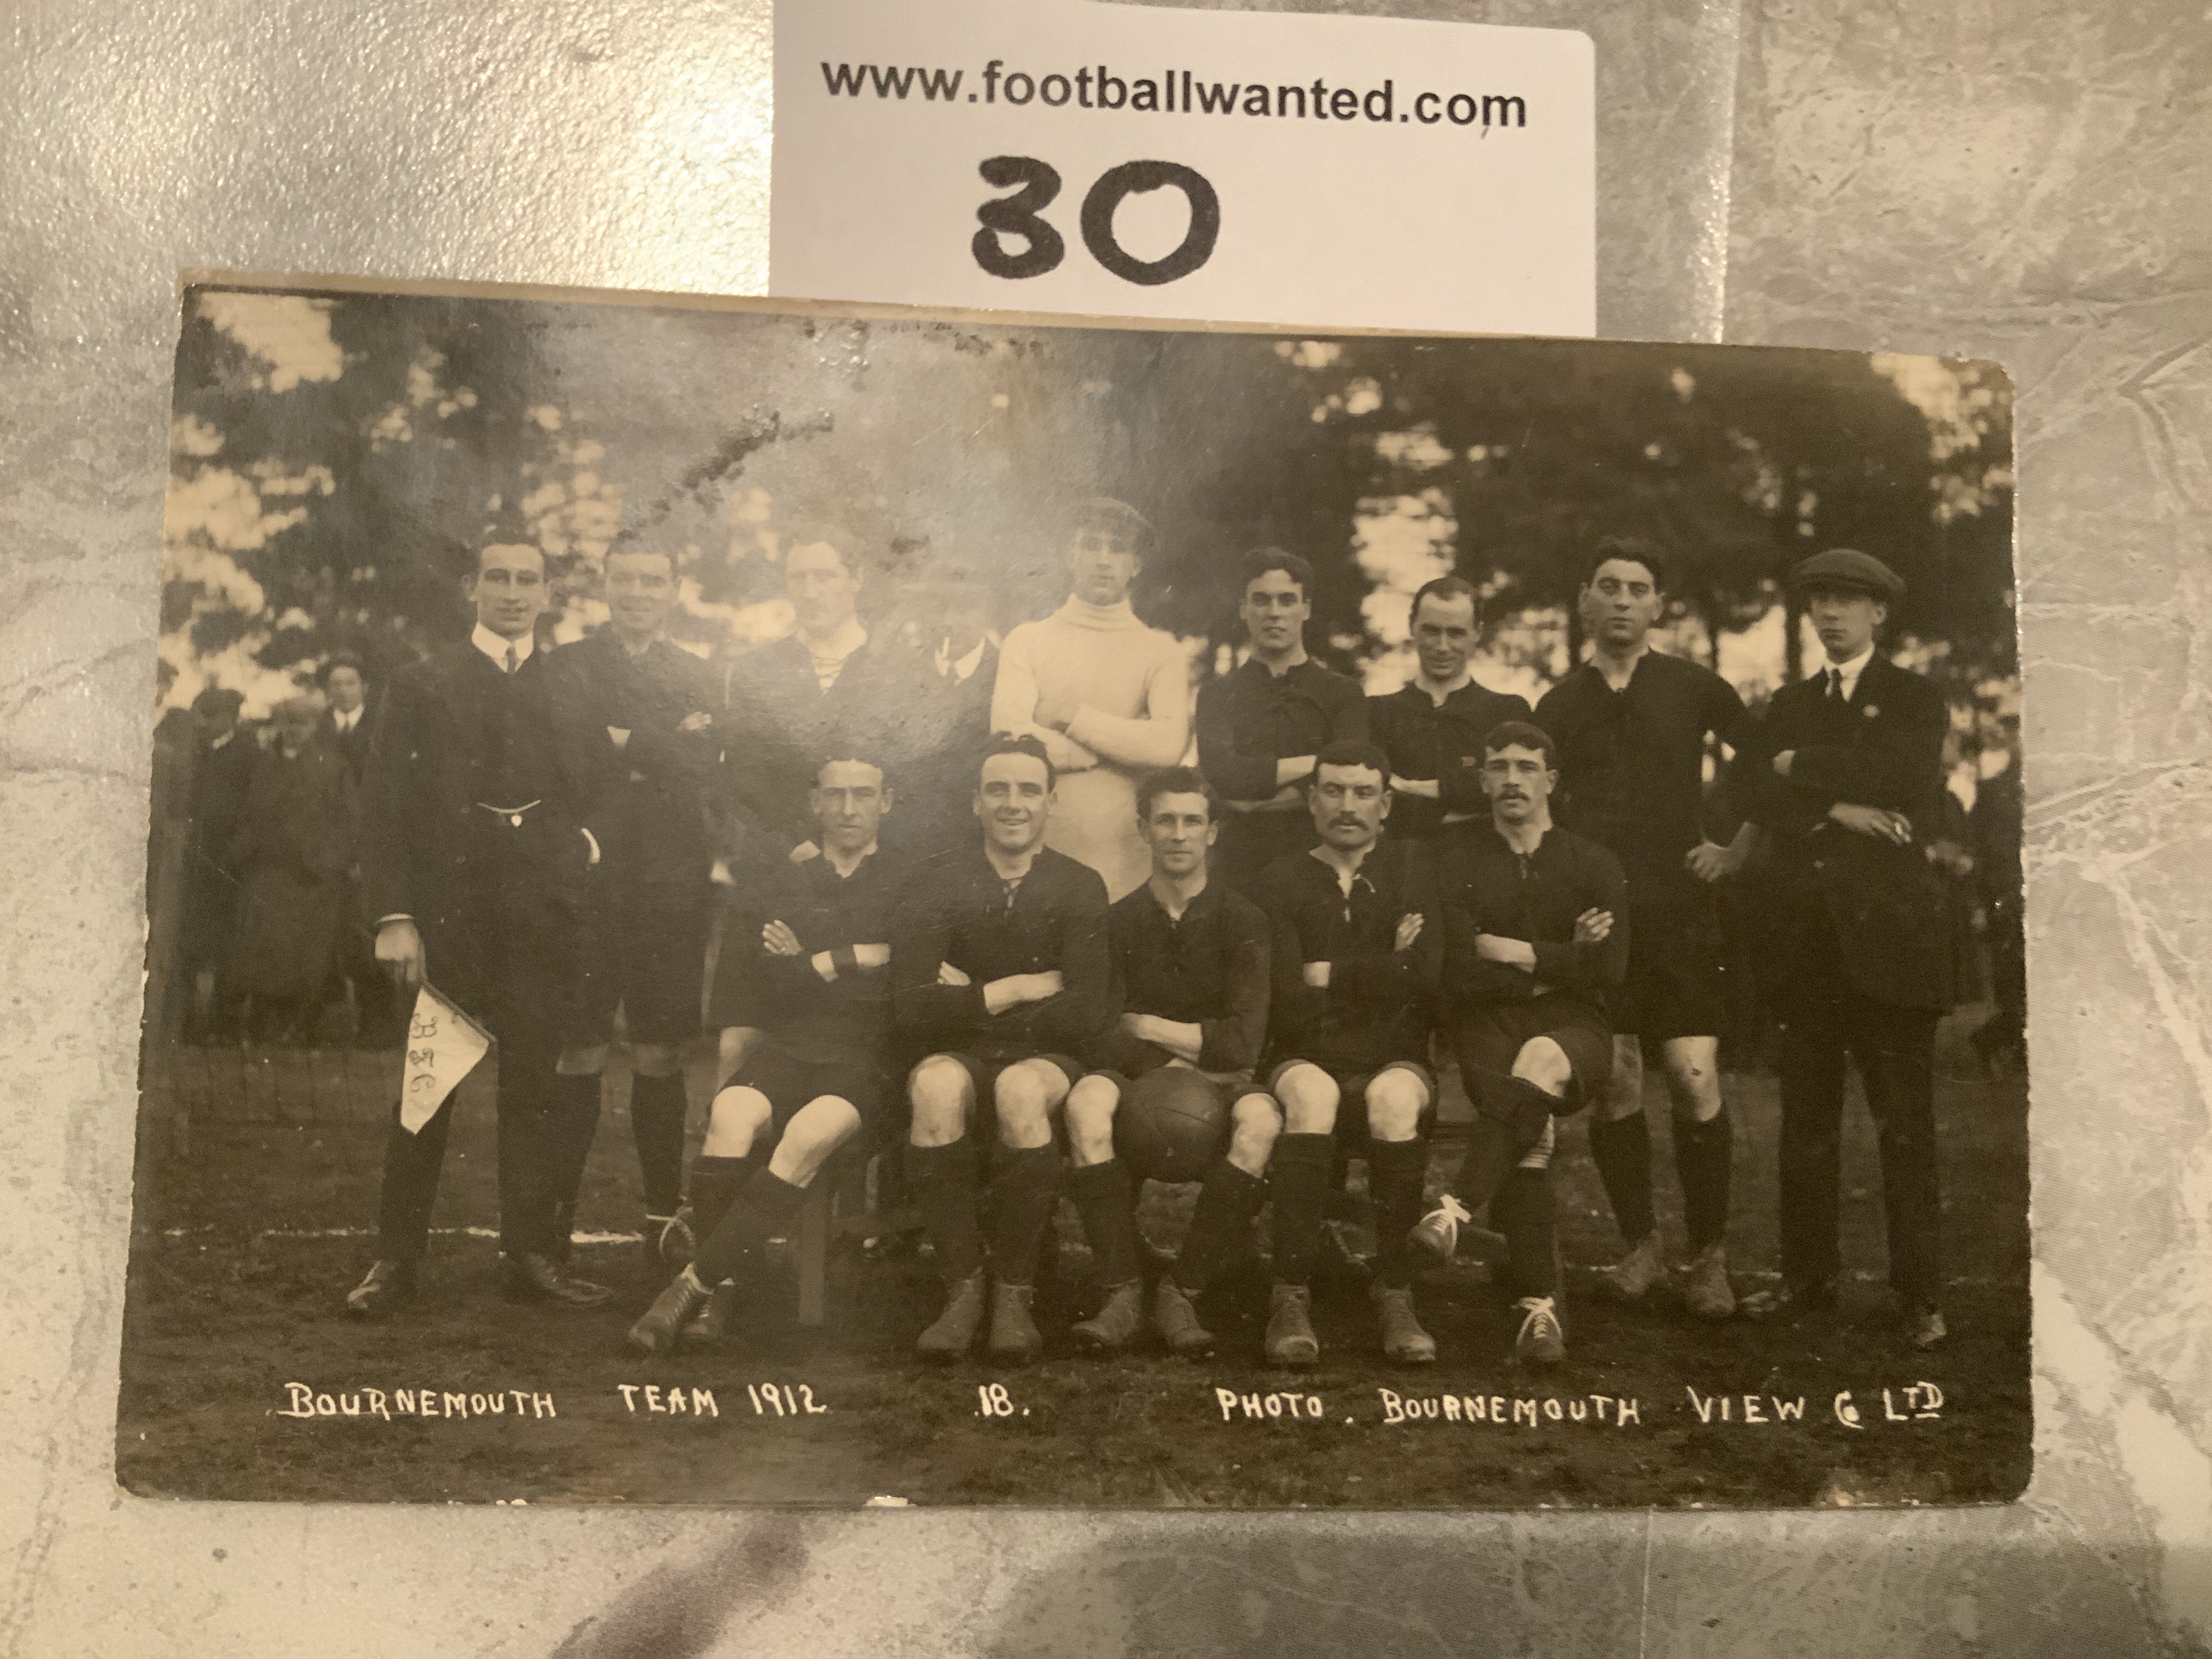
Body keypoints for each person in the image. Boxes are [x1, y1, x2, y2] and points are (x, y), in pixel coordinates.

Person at [342, 533, 607, 1317]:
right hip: (453, 918)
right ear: (472, 587)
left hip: (540, 921)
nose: (514, 592)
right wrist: (396, 917)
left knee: (534, 1091)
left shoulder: (571, 685)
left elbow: (601, 786)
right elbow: (384, 805)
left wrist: (584, 846)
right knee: (427, 1089)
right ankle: (396, 1262)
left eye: (530, 579)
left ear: (548, 591)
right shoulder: (424, 684)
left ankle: (527, 1257)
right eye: (499, 577)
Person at [1731, 548, 1954, 1350]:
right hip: (1810, 951)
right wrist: (1837, 809)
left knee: (1905, 1127)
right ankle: (1807, 1281)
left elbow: (1904, 776)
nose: (1831, 614)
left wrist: (1804, 770)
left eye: (1849, 602)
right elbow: (1746, 788)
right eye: (1820, 599)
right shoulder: (1790, 700)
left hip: (1893, 947)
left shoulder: (1914, 697)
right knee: (1808, 1123)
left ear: (1879, 613)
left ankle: (1920, 1296)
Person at [1533, 539, 1756, 1319]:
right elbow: (1537, 806)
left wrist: (1734, 849)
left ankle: (1709, 1257)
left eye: (1639, 589)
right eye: (1609, 588)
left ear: (1658, 605)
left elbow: (1761, 762)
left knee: (1695, 1078)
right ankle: (1640, 1246)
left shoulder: (1694, 687)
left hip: (1684, 917)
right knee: (1618, 1079)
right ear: (1585, 600)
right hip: (1599, 922)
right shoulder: (1559, 706)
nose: (1623, 602)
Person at [630, 752, 906, 1352]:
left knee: (808, 1131)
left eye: (864, 794)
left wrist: (811, 959)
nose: (848, 808)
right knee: (732, 1115)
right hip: (792, 1047)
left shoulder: (907, 879)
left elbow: (906, 978)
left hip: (866, 1058)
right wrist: (851, 956)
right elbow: (769, 980)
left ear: (886, 802)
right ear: (814, 801)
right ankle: (724, 1285)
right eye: (835, 795)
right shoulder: (788, 879)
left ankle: (690, 1289)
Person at [1410, 721, 1630, 1365]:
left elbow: (1611, 968)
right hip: (1486, 1020)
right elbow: (1456, 966)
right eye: (1499, 767)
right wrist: (1565, 955)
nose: (1512, 779)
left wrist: (1518, 951)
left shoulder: (1592, 862)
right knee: (1526, 1136)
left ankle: (1454, 1209)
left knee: (1538, 1068)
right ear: (1481, 782)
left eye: (1526, 768)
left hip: (1577, 1025)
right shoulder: (1457, 860)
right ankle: (1540, 1314)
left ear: (1551, 782)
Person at [891, 733, 1113, 1363]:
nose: (1012, 803)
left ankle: (1014, 1292)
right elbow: (910, 1007)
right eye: (997, 789)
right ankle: (962, 1289)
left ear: (1051, 802)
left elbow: (1089, 1010)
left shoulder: (1079, 885)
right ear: (975, 802)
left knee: (1020, 1090)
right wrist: (1018, 988)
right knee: (935, 1087)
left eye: (1028, 790)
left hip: (1041, 1058)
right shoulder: (936, 878)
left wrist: (970, 1000)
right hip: (957, 1054)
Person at [548, 539, 724, 1273]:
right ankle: (551, 1223)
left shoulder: (700, 674)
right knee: (578, 1048)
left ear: (674, 588)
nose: (640, 592)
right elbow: (572, 754)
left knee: (661, 1055)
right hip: (588, 886)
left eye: (654, 579)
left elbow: (700, 766)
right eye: (627, 579)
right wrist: (659, 743)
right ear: (606, 586)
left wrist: (627, 738)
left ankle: (659, 1218)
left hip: (671, 889)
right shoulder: (568, 664)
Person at [1060, 767, 1278, 1356]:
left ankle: (1184, 1289)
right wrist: (1174, 1061)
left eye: (1192, 821)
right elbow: (1104, 1034)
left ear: (1212, 832)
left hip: (1228, 1083)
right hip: (1136, 1077)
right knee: (1085, 1102)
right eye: (1165, 821)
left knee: (1261, 1122)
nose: (1178, 834)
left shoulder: (1245, 920)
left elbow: (1243, 1045)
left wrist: (1154, 1026)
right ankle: (1123, 1290)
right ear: (1143, 830)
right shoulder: (1118, 921)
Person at [1256, 740, 1442, 1368]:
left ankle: (1395, 1292)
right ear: (1311, 801)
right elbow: (1282, 992)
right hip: (1304, 1053)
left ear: (1386, 805)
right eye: (1333, 790)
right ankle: (1290, 1294)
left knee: (1393, 1100)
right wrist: (1383, 964)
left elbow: (1425, 974)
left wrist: (1329, 972)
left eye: (1364, 793)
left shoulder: (1414, 866)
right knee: (1313, 1095)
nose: (1348, 805)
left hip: (1394, 1053)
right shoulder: (1279, 877)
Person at [991, 497, 1191, 901]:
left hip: (1124, 858)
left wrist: (1069, 717)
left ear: (1135, 565)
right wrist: (1085, 754)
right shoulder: (1028, 640)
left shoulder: (1160, 651)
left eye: (1117, 548)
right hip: (1038, 848)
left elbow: (1168, 745)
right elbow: (1008, 732)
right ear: (1071, 555)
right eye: (1091, 545)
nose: (1103, 560)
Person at [721, 523, 910, 864]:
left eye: (825, 577)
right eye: (799, 578)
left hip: (883, 871)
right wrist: (788, 848)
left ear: (856, 579)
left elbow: (916, 782)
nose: (810, 592)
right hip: (786, 865)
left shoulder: (901, 670)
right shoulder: (757, 670)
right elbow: (742, 787)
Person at [1194, 549, 1369, 896]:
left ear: (1306, 609)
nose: (1274, 613)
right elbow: (1224, 774)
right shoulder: (1217, 694)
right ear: (1244, 609)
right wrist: (1318, 768)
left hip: (1321, 861)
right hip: (1240, 863)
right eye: (1261, 600)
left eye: (1287, 601)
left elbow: (1348, 777)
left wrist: (1253, 799)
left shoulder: (1343, 693)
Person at [223, 694, 354, 1044]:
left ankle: (304, 1027)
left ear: (315, 726)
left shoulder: (334, 766)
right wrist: (245, 849)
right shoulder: (265, 764)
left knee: (307, 955)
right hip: (268, 870)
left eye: (303, 723)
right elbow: (248, 811)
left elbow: (346, 820)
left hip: (311, 875)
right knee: (263, 953)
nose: (295, 730)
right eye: (289, 722)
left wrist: (329, 861)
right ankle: (263, 1026)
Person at [1366, 575, 1531, 845]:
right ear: (1412, 627)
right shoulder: (1378, 712)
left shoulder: (1507, 712)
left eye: (1456, 633)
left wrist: (1411, 787)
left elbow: (1516, 789)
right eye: (1431, 631)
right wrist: (1469, 798)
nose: (1443, 647)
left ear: (1477, 632)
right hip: (1398, 867)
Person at [178, 686, 255, 1041]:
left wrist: (235, 854)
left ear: (229, 718)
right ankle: (189, 1021)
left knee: (229, 945)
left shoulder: (249, 753)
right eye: (202, 717)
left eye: (211, 717)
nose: (204, 724)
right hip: (194, 861)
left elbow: (254, 809)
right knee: (191, 941)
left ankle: (223, 1024)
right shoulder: (197, 751)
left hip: (231, 863)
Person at [1969, 713, 2024, 1076]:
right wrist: (1983, 902)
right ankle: (1991, 1040)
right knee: (2016, 984)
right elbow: (1982, 852)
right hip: (2008, 899)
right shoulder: (1991, 793)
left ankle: (2019, 1049)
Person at [322, 652, 375, 783]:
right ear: (328, 690)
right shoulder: (318, 725)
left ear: (365, 687)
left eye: (350, 684)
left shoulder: (380, 724)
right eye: (336, 685)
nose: (343, 691)